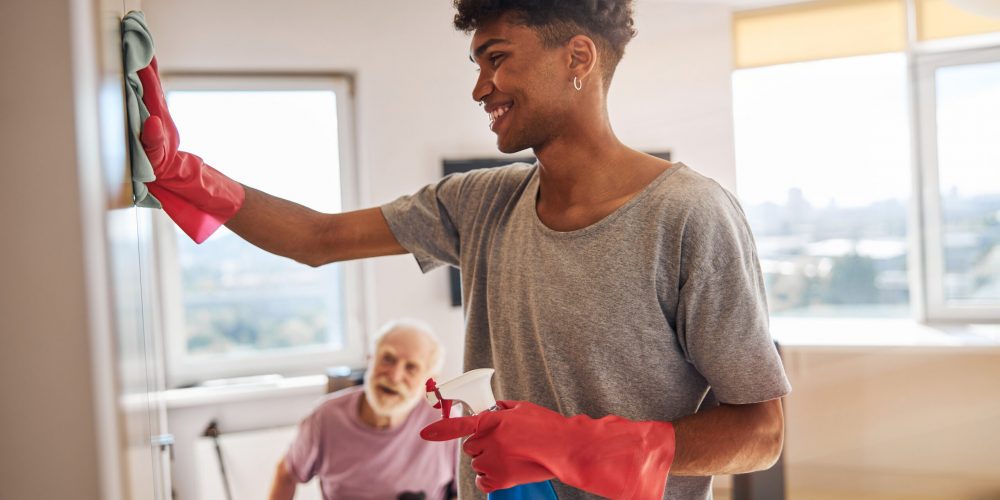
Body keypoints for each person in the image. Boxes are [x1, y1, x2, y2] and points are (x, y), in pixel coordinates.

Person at [136, 1, 791, 498]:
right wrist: (182, 172)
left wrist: (581, 445)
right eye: (477, 64)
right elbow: (318, 238)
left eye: (498, 57)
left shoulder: (690, 216)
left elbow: (761, 433)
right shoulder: (483, 203)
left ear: (578, 59)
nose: (480, 87)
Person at [267, 320, 458, 500]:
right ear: (370, 360)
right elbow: (286, 474)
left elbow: (468, 491)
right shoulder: (325, 417)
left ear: (429, 379)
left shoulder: (447, 423)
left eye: (411, 368)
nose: (394, 376)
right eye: (388, 359)